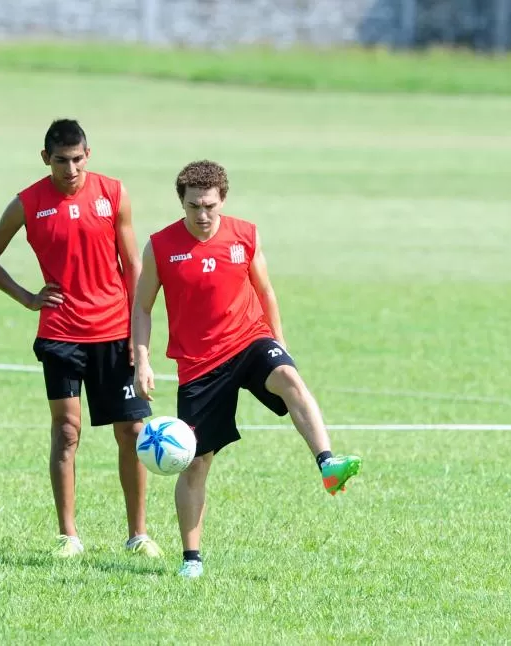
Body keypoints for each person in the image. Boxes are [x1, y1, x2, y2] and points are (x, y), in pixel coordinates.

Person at [131, 160, 361, 578]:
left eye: (210, 206)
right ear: (181, 202)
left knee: (290, 379)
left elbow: (265, 290)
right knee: (197, 462)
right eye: (193, 206)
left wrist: (279, 341)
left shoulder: (245, 235)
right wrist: (142, 360)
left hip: (249, 340)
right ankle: (191, 559)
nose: (202, 215)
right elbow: (142, 307)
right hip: (199, 365)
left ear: (223, 201)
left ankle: (327, 463)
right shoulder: (160, 245)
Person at [0, 119, 161, 558]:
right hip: (61, 335)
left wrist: (139, 339)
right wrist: (26, 297)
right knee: (67, 431)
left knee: (133, 431)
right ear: (46, 159)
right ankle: (69, 536)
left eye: (78, 159)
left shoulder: (114, 194)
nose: (71, 169)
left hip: (115, 333)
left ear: (88, 156)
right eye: (61, 161)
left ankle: (138, 535)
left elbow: (133, 266)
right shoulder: (28, 203)